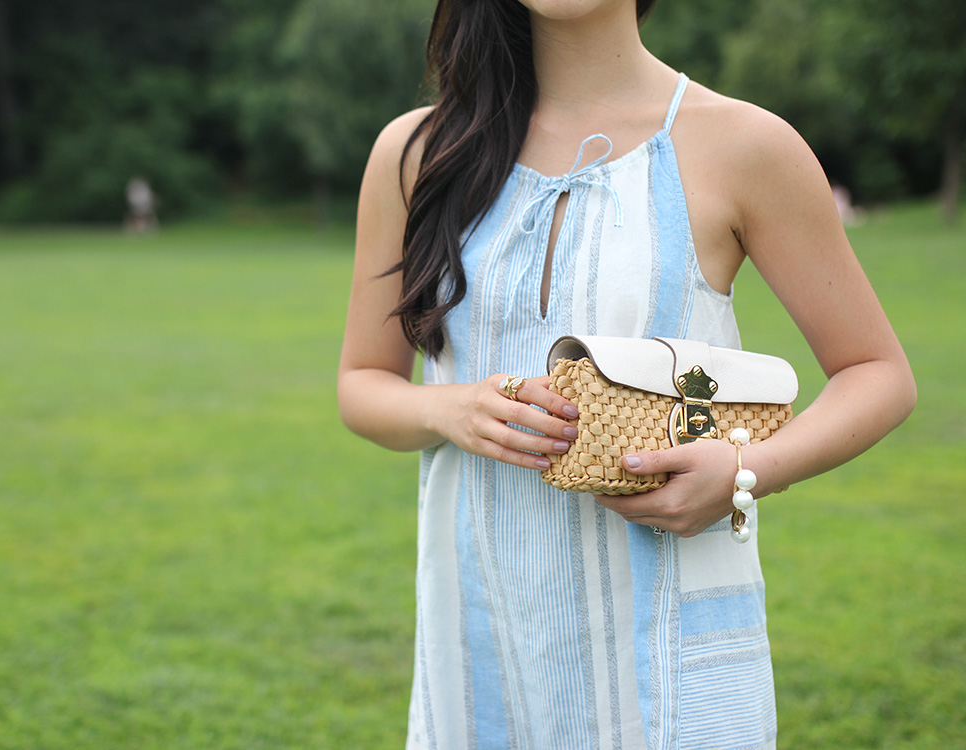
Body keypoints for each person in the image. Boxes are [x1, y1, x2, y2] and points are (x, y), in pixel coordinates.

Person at [337, 1, 916, 747]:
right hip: (479, 650)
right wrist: (450, 408)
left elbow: (879, 372)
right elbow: (362, 383)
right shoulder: (417, 151)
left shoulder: (744, 144)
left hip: (670, 659)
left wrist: (745, 470)